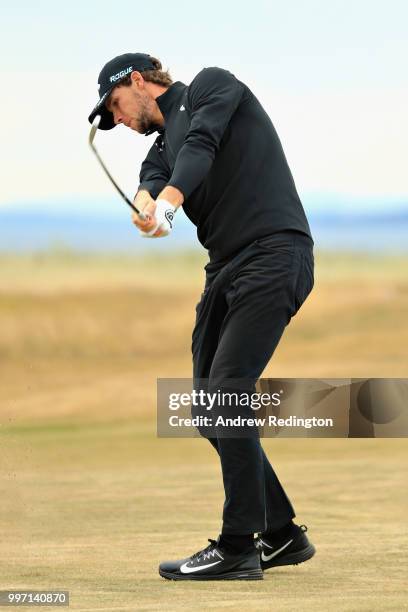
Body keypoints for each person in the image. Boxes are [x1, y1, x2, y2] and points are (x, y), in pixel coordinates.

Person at [88, 52, 316, 581]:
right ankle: (281, 534)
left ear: (139, 81)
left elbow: (202, 145)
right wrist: (148, 204)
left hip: (274, 253)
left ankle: (239, 546)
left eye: (116, 105)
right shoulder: (160, 150)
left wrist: (169, 199)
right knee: (207, 408)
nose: (118, 119)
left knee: (227, 390)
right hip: (225, 270)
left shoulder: (213, 87)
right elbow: (153, 177)